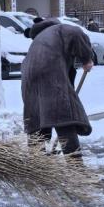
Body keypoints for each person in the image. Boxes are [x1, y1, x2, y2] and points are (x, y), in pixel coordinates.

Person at [22, 18, 94, 162]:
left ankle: (38, 166)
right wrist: (86, 58)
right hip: (49, 75)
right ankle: (75, 166)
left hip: (28, 81)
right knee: (62, 116)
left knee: (37, 121)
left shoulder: (37, 42)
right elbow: (75, 32)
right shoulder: (59, 29)